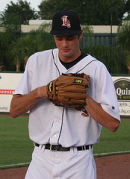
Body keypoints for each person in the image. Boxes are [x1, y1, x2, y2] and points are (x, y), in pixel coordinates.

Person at [10, 10, 120, 179]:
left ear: (80, 35)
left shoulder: (97, 69)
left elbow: (113, 124)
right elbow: (14, 110)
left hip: (78, 162)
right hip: (40, 159)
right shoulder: (37, 61)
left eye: (70, 38)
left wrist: (83, 98)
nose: (64, 44)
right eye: (59, 38)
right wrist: (40, 92)